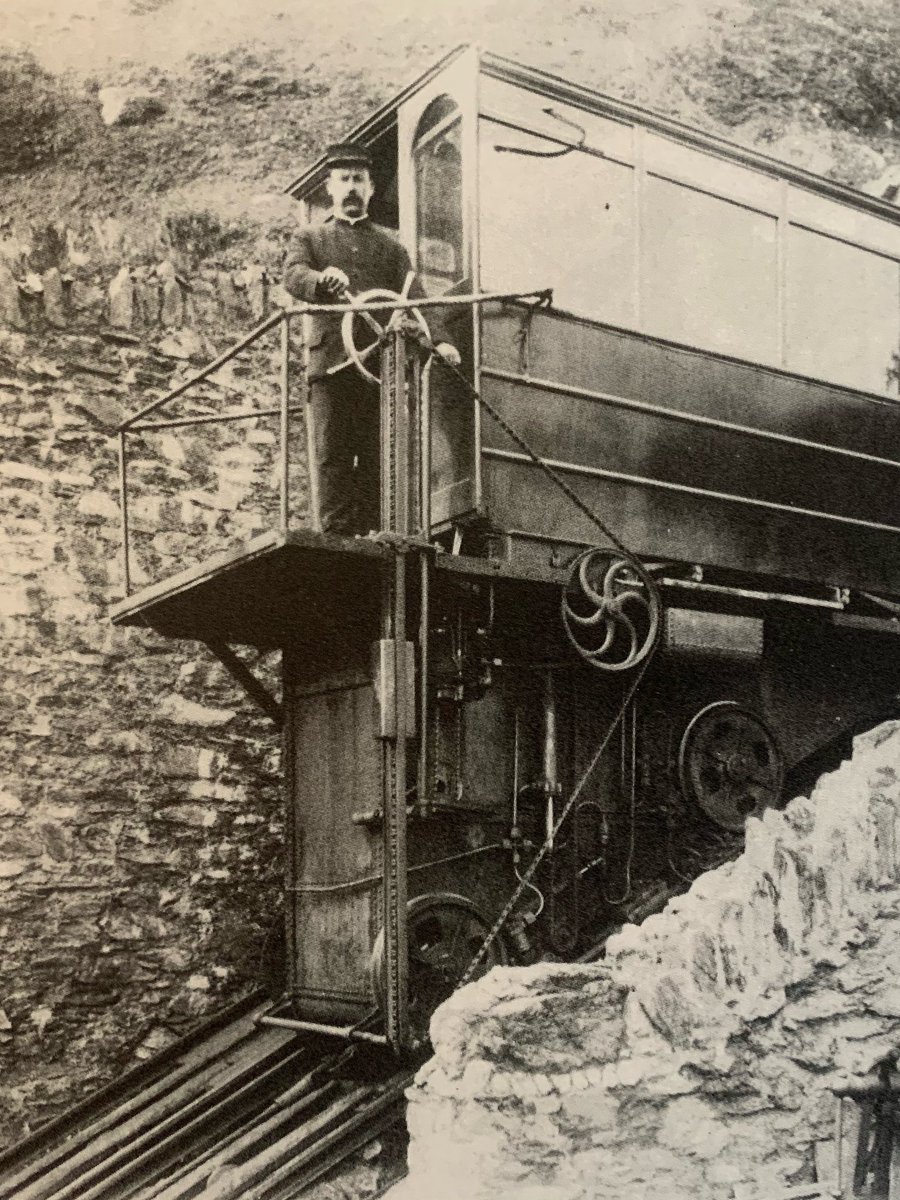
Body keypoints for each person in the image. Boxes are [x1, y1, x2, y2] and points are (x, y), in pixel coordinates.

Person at [283, 142, 460, 535]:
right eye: (344, 179)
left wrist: (441, 340)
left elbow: (416, 300)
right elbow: (294, 275)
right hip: (332, 364)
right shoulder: (310, 237)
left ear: (371, 188)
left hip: (378, 369)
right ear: (330, 188)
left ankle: (373, 533)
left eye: (359, 180)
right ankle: (336, 533)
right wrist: (321, 279)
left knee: (376, 452)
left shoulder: (391, 249)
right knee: (332, 452)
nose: (351, 187)